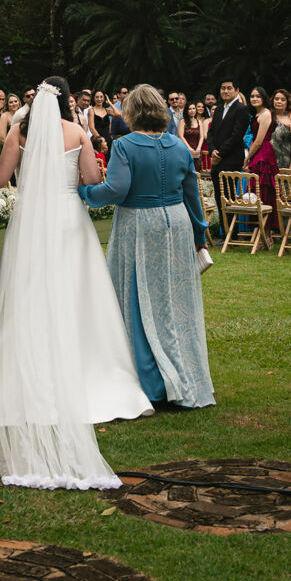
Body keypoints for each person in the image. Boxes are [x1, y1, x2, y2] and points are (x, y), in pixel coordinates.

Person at [0, 77, 151, 488]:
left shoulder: (19, 134)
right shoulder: (76, 132)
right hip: (69, 223)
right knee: (78, 294)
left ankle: (26, 361)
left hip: (30, 225)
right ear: (65, 101)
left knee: (30, 292)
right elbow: (91, 179)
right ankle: (85, 363)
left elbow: (0, 180)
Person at [79, 83, 214, 410]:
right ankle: (183, 376)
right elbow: (193, 197)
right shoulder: (179, 147)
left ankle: (152, 384)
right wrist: (199, 237)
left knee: (139, 297)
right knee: (174, 299)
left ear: (131, 113)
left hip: (141, 225)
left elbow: (115, 190)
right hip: (178, 223)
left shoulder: (124, 145)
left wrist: (84, 192)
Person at [208, 76, 251, 235]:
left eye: (229, 88)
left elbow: (236, 135)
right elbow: (211, 133)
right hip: (217, 159)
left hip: (231, 158)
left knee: (230, 196)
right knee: (219, 197)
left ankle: (232, 234)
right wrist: (212, 150)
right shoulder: (218, 109)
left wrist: (221, 152)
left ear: (237, 91)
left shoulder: (241, 109)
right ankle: (225, 233)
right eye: (223, 88)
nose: (225, 91)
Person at [245, 85, 279, 239]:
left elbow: (259, 140)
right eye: (252, 96)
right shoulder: (257, 115)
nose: (254, 99)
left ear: (264, 98)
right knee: (256, 190)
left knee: (264, 191)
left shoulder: (266, 114)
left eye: (258, 96)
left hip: (264, 153)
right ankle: (259, 231)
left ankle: (267, 233)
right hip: (257, 152)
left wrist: (248, 157)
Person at [270, 89, 291, 173]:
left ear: (287, 102)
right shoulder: (268, 116)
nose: (279, 101)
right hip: (269, 160)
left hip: (286, 160)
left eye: (283, 100)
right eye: (276, 99)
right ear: (273, 101)